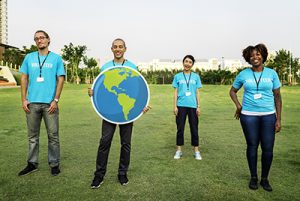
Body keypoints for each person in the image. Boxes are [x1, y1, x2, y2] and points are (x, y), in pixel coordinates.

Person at [88, 38, 150, 188]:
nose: (118, 49)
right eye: (115, 47)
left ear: (125, 49)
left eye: (120, 47)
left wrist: (142, 105)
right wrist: (92, 91)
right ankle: (99, 175)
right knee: (104, 142)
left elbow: (137, 89)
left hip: (126, 111)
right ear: (111, 49)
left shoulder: (131, 67)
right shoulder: (106, 67)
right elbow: (101, 89)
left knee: (126, 144)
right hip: (109, 111)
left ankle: (122, 174)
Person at [229, 44, 282, 192]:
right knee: (252, 146)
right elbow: (232, 91)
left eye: (258, 54)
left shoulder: (272, 73)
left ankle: (265, 179)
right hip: (249, 116)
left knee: (268, 148)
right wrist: (239, 106)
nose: (255, 57)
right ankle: (253, 177)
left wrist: (278, 119)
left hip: (268, 116)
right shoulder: (243, 74)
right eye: (252, 55)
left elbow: (277, 96)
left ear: (263, 56)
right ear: (248, 58)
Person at [18, 30, 65, 176]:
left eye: (42, 38)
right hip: (32, 103)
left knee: (53, 136)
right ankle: (32, 163)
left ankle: (54, 164)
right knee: (32, 137)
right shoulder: (29, 57)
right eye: (36, 39)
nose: (39, 40)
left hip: (49, 104)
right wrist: (24, 99)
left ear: (48, 40)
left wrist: (55, 100)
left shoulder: (56, 59)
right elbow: (24, 78)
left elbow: (61, 79)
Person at [172, 55, 203, 160]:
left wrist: (198, 106)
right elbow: (175, 92)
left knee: (194, 128)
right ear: (183, 62)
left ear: (192, 64)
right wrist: (175, 106)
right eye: (186, 61)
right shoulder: (177, 76)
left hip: (193, 106)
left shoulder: (196, 76)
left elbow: (197, 92)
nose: (187, 64)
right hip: (180, 106)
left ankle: (196, 151)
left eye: (190, 62)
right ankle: (179, 150)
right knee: (180, 128)